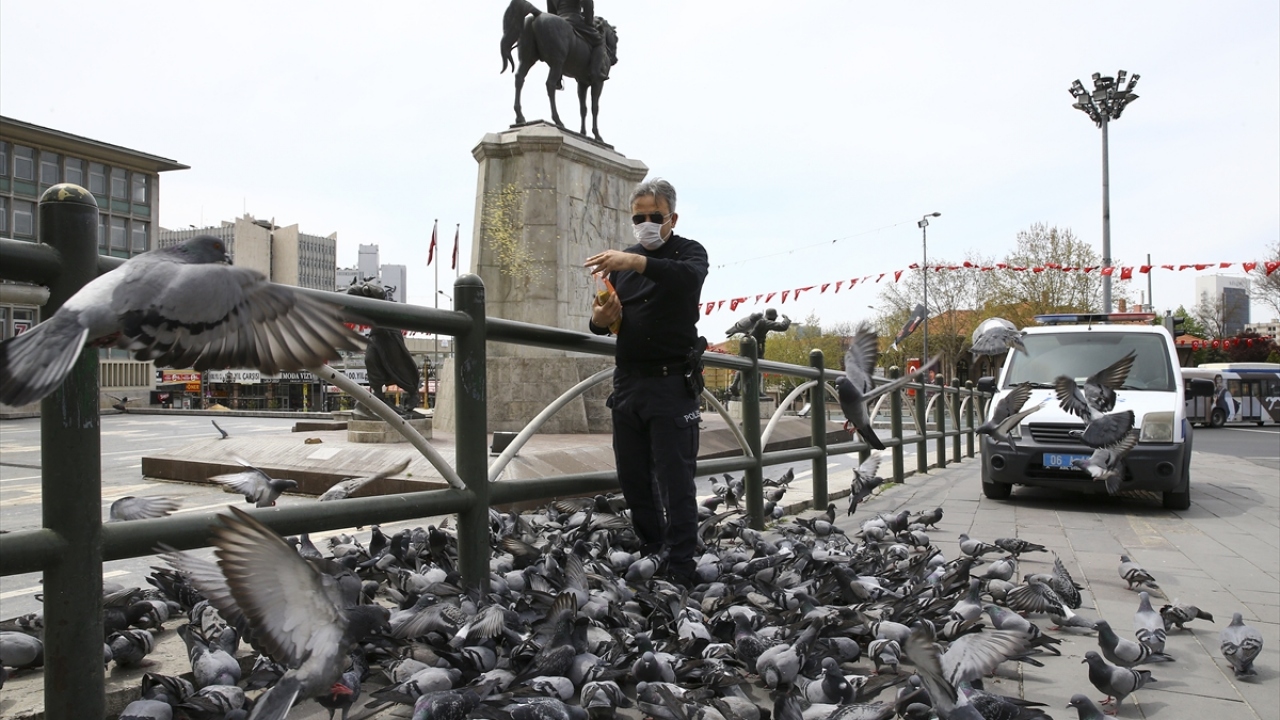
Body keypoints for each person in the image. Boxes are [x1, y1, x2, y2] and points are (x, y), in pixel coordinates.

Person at [585, 178, 708, 588]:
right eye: (639, 217)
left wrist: (633, 262)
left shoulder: (689, 252)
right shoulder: (622, 264)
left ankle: (681, 567)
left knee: (676, 483)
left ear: (672, 217)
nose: (646, 224)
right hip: (628, 385)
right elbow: (607, 323)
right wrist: (600, 321)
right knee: (634, 480)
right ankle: (653, 554)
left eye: (654, 216)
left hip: (672, 384)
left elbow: (685, 280)